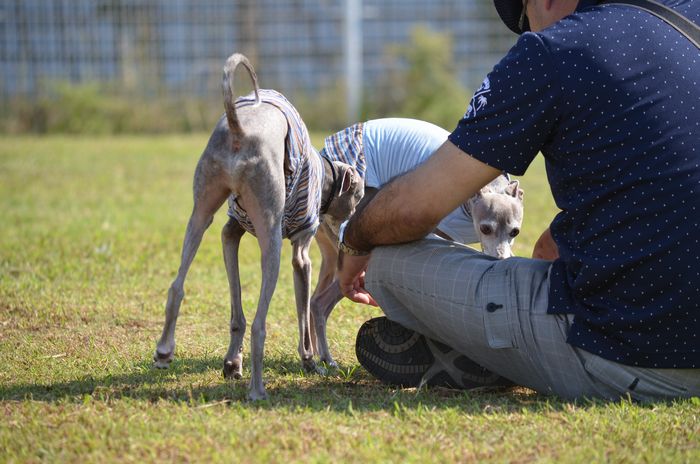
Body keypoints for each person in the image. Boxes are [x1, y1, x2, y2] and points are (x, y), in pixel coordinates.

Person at [336, 0, 700, 401]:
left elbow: (412, 209)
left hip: (626, 358)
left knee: (385, 262)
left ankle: (491, 353)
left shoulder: (552, 50)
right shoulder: (686, 18)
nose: (530, 34)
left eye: (525, 21)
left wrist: (354, 240)